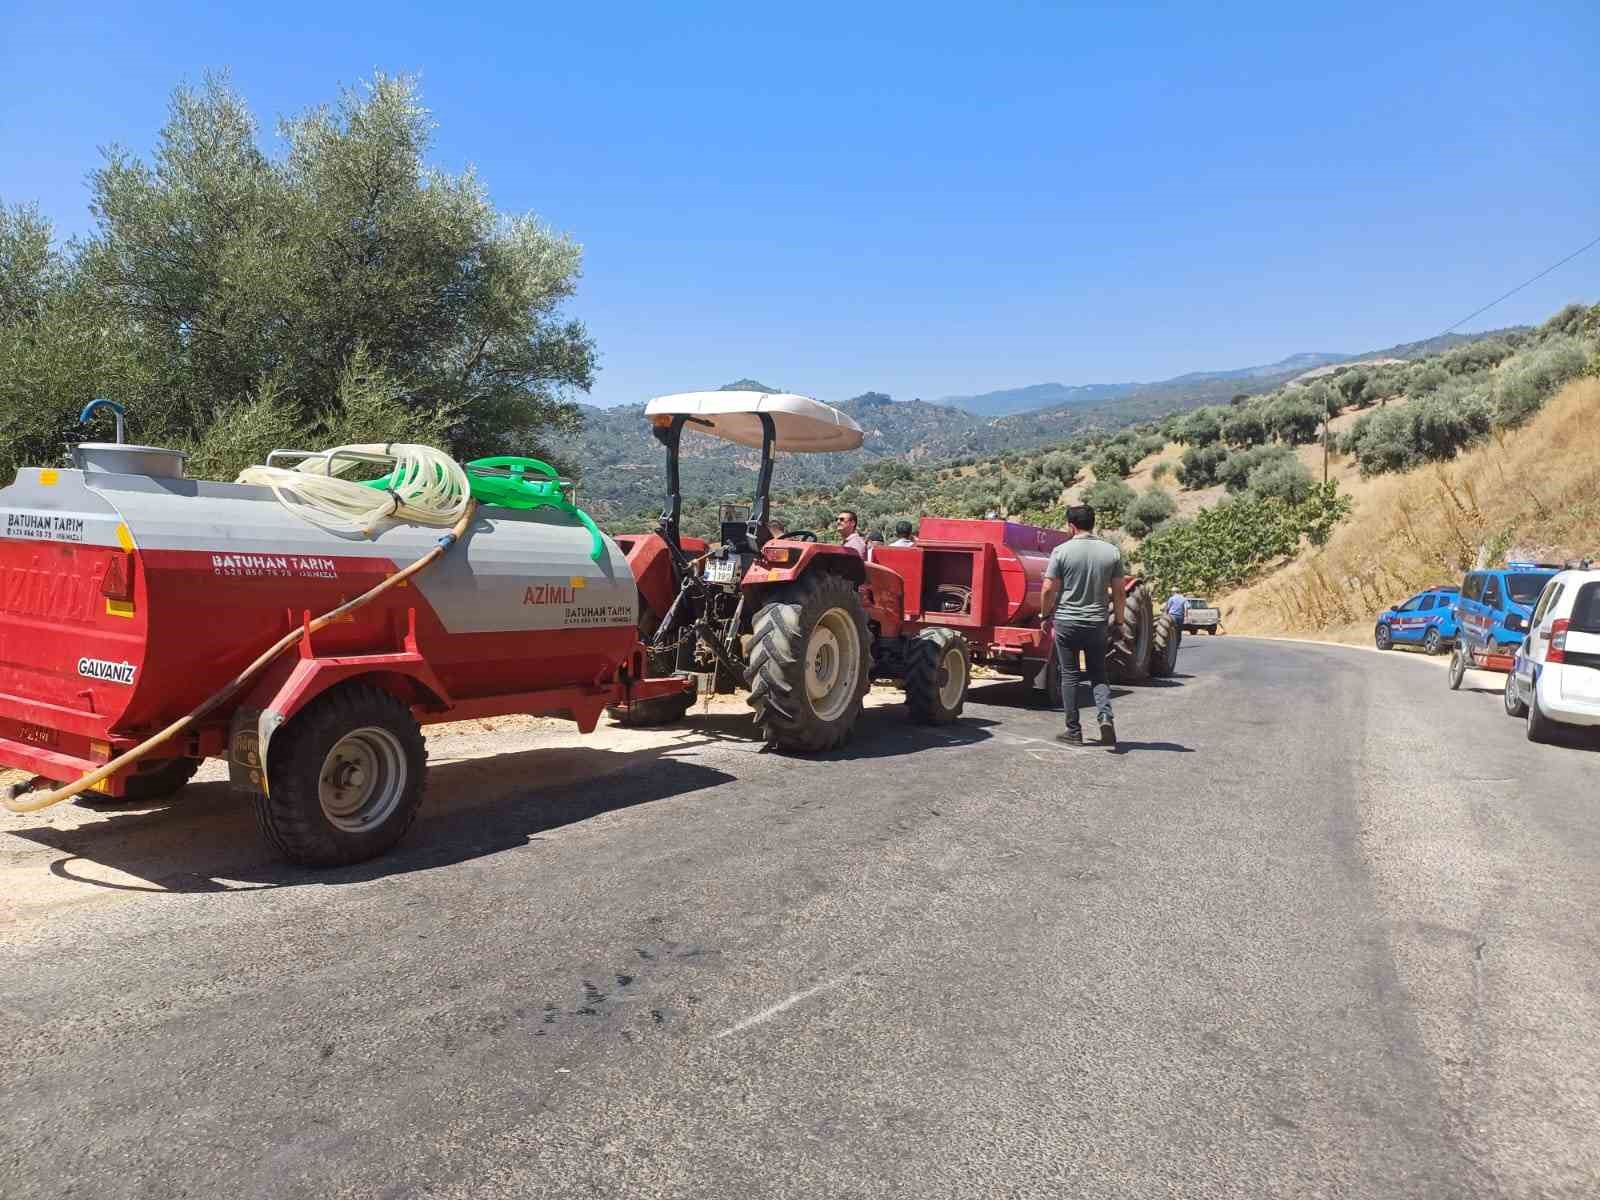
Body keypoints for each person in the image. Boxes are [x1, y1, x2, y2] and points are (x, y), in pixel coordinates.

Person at [1040, 504, 1125, 748]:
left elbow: (1048, 588)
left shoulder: (1061, 551)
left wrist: (1044, 614)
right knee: (1098, 673)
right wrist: (1118, 621)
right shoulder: (1111, 552)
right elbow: (1119, 591)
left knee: (1070, 675)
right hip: (1097, 622)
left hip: (1067, 622)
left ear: (1071, 525)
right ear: (1092, 523)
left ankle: (1073, 730)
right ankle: (1105, 716)